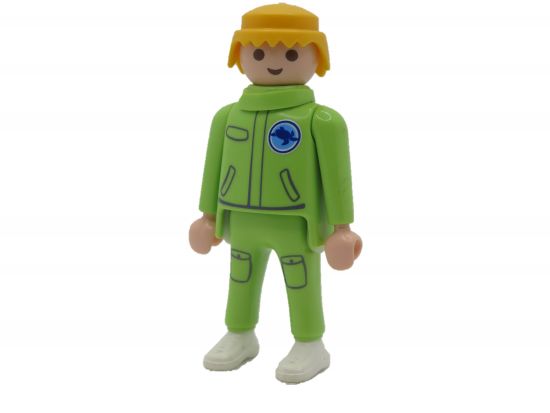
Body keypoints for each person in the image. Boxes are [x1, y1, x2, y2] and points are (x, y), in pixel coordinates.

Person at [189, 3, 362, 384]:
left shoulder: (321, 120)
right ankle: (239, 333)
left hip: (295, 221)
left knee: (301, 279)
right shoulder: (227, 117)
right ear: (239, 55)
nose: (273, 63)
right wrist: (207, 216)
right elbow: (212, 168)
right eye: (258, 53)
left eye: (291, 54)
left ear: (317, 57)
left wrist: (341, 228)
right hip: (240, 218)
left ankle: (309, 342)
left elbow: (337, 175)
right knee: (241, 275)